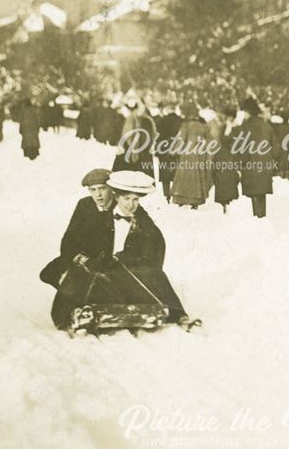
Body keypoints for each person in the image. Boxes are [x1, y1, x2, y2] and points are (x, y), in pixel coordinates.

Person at [50, 171, 197, 331]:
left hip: (121, 268)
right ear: (117, 197)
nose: (130, 204)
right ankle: (79, 314)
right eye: (126, 199)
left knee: (155, 277)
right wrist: (79, 259)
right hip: (94, 265)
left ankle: (179, 316)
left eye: (135, 200)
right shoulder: (97, 212)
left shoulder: (139, 219)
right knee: (81, 280)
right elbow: (72, 240)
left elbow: (152, 245)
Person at [40, 168, 116, 289]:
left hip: (104, 261)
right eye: (93, 190)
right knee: (48, 273)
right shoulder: (85, 204)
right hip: (81, 257)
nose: (98, 195)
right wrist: (74, 258)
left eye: (102, 188)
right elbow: (70, 236)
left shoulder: (120, 205)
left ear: (112, 189)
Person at [237, 97, 280, 218]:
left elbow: (243, 148)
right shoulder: (266, 126)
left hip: (251, 165)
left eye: (244, 112)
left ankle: (257, 221)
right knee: (261, 194)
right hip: (265, 165)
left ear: (248, 112)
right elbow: (277, 148)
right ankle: (262, 219)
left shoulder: (246, 127)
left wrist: (242, 163)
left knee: (254, 193)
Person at [170, 102, 214, 208]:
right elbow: (210, 141)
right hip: (200, 155)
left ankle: (182, 198)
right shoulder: (203, 125)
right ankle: (196, 200)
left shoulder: (186, 125)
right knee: (197, 178)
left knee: (184, 178)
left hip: (187, 154)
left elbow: (180, 140)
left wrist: (173, 150)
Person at [113, 94, 157, 177]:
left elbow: (151, 136)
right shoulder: (130, 118)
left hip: (142, 153)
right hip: (131, 152)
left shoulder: (147, 120)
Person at [213, 107, 241, 213]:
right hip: (230, 154)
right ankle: (226, 203)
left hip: (228, 154)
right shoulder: (231, 126)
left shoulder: (230, 127)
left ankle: (226, 203)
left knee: (225, 177)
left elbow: (224, 139)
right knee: (227, 178)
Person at [154, 102, 183, 201]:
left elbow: (158, 135)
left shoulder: (163, 120)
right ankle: (176, 194)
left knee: (164, 173)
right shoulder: (181, 121)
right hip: (177, 149)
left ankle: (166, 195)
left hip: (164, 149)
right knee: (176, 172)